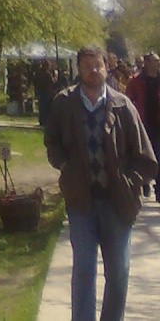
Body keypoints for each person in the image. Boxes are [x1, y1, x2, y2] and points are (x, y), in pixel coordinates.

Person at [44, 44, 157, 321]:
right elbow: (52, 142)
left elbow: (144, 155)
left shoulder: (122, 105)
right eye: (87, 66)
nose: (93, 71)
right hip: (82, 202)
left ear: (107, 67)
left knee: (118, 272)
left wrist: (130, 182)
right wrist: (65, 166)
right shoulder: (64, 102)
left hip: (116, 203)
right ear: (79, 70)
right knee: (83, 269)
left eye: (98, 65)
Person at [126, 51, 160, 200]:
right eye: (155, 61)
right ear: (146, 63)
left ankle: (158, 189)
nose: (157, 63)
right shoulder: (136, 81)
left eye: (158, 61)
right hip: (143, 124)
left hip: (158, 123)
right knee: (146, 156)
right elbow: (127, 101)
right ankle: (145, 182)